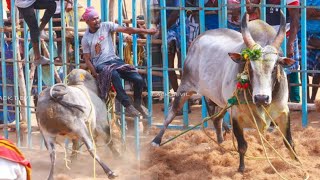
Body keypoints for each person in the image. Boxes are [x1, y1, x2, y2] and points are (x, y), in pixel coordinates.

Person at [81, 7, 157, 118]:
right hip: (101, 65)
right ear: (87, 21)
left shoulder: (106, 26)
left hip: (114, 60)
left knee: (138, 79)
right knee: (114, 74)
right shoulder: (85, 39)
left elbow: (127, 30)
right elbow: (87, 59)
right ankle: (127, 105)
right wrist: (95, 74)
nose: (97, 20)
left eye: (97, 18)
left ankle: (137, 103)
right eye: (93, 19)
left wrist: (147, 31)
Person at [253, 0, 301, 102]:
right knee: (269, 70)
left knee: (291, 69)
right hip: (267, 37)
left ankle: (295, 101)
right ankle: (277, 100)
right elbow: (250, 7)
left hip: (286, 36)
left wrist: (290, 43)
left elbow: (295, 21)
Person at [15, 0, 57, 66]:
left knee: (52, 5)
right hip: (24, 4)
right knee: (34, 29)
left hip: (30, 2)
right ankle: (37, 58)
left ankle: (41, 29)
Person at [305, 0, 320, 102]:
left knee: (318, 71)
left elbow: (305, 13)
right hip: (304, 36)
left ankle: (312, 99)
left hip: (318, 37)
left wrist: (308, 13)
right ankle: (306, 99)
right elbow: (299, 13)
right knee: (303, 68)